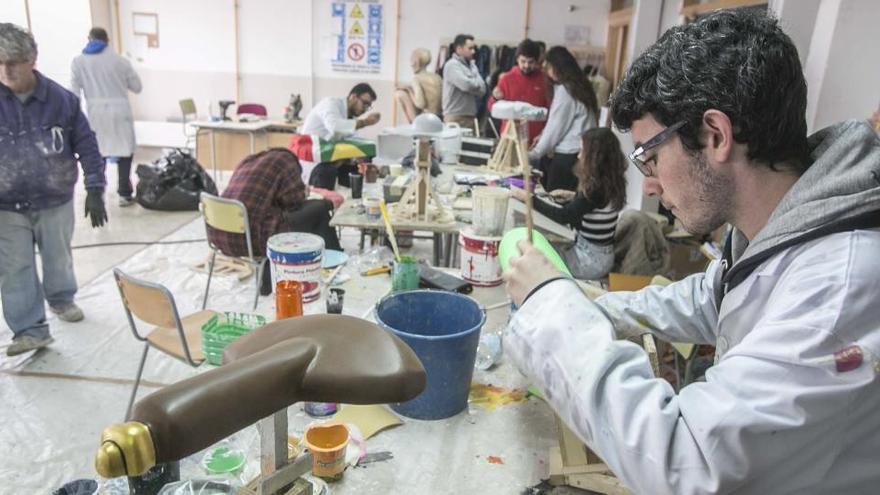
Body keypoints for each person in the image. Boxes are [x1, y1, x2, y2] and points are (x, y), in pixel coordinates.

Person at [503, 10, 880, 493]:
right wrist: (588, 303)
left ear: (716, 136)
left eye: (650, 156)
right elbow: (707, 299)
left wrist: (551, 310)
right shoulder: (779, 226)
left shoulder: (838, 287)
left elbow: (690, 461)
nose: (652, 184)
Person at [0, 23, 108, 356]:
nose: (7, 70)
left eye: (14, 61)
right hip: (6, 204)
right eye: (0, 61)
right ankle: (30, 329)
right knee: (14, 266)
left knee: (57, 257)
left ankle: (61, 299)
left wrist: (94, 186)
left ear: (32, 59)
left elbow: (87, 144)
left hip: (54, 198)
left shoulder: (61, 101)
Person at [205, 148, 342, 295]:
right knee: (319, 209)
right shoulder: (287, 162)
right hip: (252, 240)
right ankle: (335, 263)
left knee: (281, 216)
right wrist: (305, 192)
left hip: (219, 237)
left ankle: (268, 284)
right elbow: (293, 202)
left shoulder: (248, 161)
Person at [510, 128, 625, 280]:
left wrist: (529, 198)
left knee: (534, 255)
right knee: (542, 247)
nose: (578, 155)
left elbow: (564, 216)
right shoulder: (610, 182)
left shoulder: (596, 189)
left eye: (582, 151)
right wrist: (574, 196)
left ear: (595, 157)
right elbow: (593, 205)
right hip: (599, 256)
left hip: (589, 261)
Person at [71, 27, 142, 207]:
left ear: (89, 39)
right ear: (107, 40)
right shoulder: (120, 61)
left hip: (95, 111)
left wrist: (74, 118)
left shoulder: (78, 62)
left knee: (98, 152)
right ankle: (124, 194)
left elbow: (74, 93)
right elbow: (137, 87)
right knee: (125, 153)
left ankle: (98, 191)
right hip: (120, 110)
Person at [529, 46, 599, 192]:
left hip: (568, 157)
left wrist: (535, 153)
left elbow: (556, 127)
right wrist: (542, 136)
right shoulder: (581, 86)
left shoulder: (565, 91)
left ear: (557, 67)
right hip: (581, 154)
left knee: (556, 199)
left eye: (548, 67)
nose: (547, 72)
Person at [299, 83, 380, 190]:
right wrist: (365, 122)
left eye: (368, 106)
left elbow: (350, 140)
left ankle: (357, 197)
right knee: (329, 172)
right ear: (353, 96)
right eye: (364, 103)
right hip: (314, 162)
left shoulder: (350, 117)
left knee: (363, 162)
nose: (365, 109)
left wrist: (359, 157)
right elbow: (335, 127)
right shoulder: (330, 104)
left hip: (331, 159)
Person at [487, 39, 549, 146]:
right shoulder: (506, 79)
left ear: (537, 61)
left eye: (531, 62)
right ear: (517, 59)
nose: (526, 65)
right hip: (509, 139)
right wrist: (495, 98)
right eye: (523, 61)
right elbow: (491, 108)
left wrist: (544, 133)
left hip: (535, 141)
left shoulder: (544, 80)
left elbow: (550, 110)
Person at [441, 34, 486, 132]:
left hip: (470, 117)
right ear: (459, 49)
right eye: (470, 48)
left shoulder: (472, 66)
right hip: (455, 118)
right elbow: (466, 86)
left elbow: (483, 89)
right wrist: (475, 83)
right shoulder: (452, 65)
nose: (473, 52)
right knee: (452, 147)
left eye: (474, 48)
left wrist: (472, 83)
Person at [395, 48, 441, 123]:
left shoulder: (417, 79)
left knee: (399, 94)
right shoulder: (437, 77)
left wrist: (408, 90)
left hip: (426, 119)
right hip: (440, 117)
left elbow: (420, 104)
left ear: (416, 62)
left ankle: (413, 125)